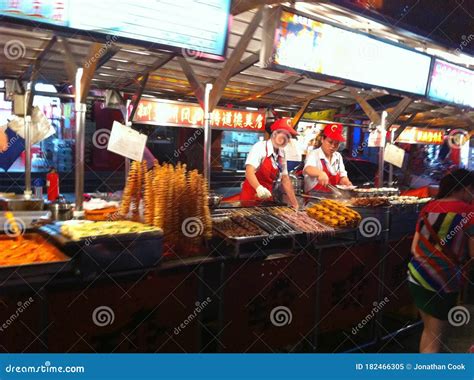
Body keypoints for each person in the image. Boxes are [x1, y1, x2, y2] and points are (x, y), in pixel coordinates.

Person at [408, 169, 474, 353]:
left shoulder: (428, 207)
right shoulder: (469, 213)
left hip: (416, 276)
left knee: (429, 332)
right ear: (466, 188)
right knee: (435, 338)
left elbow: (414, 247)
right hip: (443, 281)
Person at [240, 117, 299, 209]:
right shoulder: (260, 147)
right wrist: (259, 188)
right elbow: (249, 172)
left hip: (267, 199)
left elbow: (285, 178)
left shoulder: (282, 153)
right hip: (251, 198)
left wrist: (295, 203)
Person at [303, 123, 352, 193]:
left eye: (336, 143)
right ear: (322, 139)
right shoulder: (314, 154)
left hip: (333, 196)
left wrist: (346, 182)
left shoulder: (338, 156)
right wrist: (320, 173)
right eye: (330, 142)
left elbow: (342, 175)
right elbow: (308, 169)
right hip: (314, 197)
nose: (333, 146)